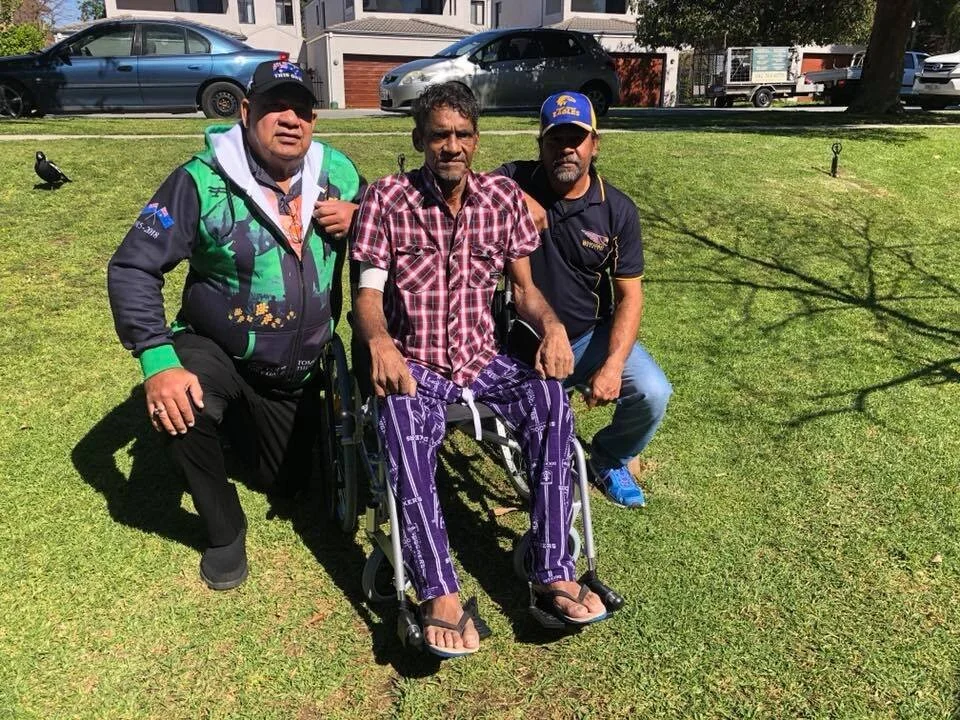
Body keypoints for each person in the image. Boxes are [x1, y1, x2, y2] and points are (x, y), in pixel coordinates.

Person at [351, 82, 607, 658]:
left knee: (550, 401)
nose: (451, 146)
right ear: (419, 138)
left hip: (484, 360)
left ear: (476, 140)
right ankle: (439, 591)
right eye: (439, 134)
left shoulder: (502, 199)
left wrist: (555, 328)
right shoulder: (387, 200)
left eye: (462, 135)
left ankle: (552, 570)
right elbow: (368, 295)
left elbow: (524, 291)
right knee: (402, 425)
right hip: (417, 362)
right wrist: (381, 344)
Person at [107, 60, 363, 591]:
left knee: (283, 482)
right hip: (217, 350)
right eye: (274, 106)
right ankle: (225, 529)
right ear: (247, 112)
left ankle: (241, 431)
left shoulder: (339, 172)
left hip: (295, 374)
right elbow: (133, 265)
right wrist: (156, 358)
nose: (290, 119)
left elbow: (393, 233)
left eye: (302, 108)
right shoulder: (198, 180)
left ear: (315, 118)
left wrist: (361, 216)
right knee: (184, 402)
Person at [493, 91, 672, 509]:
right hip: (524, 344)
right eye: (556, 139)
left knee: (652, 391)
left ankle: (610, 458)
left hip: (591, 338)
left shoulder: (617, 210)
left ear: (595, 144)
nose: (566, 148)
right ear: (541, 144)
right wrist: (517, 198)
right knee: (542, 443)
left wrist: (611, 366)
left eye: (577, 138)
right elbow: (468, 182)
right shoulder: (516, 179)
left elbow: (630, 296)